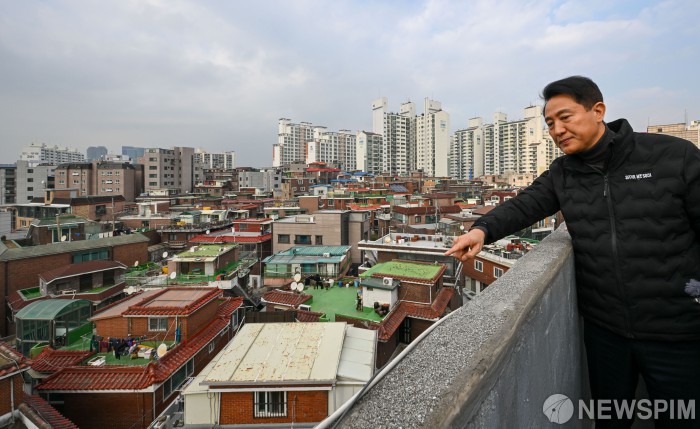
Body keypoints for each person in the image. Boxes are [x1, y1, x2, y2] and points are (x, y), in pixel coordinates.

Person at [446, 76, 700, 428]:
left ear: (598, 111)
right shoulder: (563, 173)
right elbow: (525, 204)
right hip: (606, 332)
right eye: (550, 123)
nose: (557, 130)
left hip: (677, 331)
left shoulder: (672, 156)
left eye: (565, 117)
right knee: (610, 421)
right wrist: (481, 230)